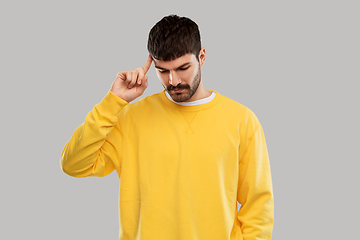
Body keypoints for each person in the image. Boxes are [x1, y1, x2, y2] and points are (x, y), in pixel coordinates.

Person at [61, 14, 274, 240]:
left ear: (201, 57)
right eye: (163, 70)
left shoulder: (242, 120)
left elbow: (257, 205)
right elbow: (73, 164)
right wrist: (114, 101)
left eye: (183, 68)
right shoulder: (130, 117)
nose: (173, 80)